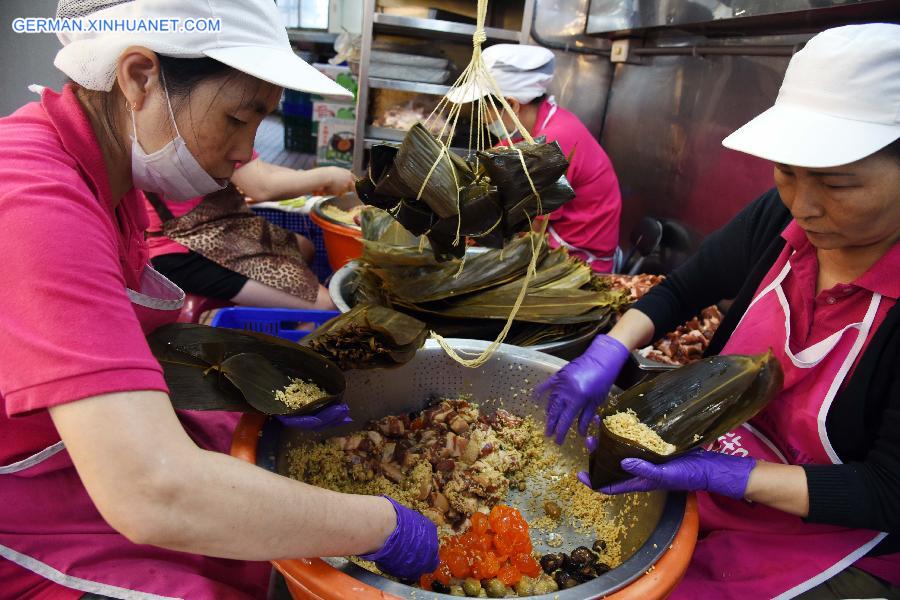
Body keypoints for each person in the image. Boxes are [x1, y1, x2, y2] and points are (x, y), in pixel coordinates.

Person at [0, 1, 438, 598]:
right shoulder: (32, 204)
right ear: (139, 77)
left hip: (84, 454)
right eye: (238, 118)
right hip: (30, 510)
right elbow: (154, 491)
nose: (246, 153)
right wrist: (387, 526)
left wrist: (268, 385)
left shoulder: (115, 175)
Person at [538, 23, 900, 599]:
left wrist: (728, 476)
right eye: (786, 173)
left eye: (838, 184)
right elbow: (683, 290)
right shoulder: (778, 218)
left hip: (830, 538)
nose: (803, 205)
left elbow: (888, 491)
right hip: (726, 466)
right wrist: (611, 345)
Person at [448, 44, 623, 272]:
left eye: (484, 109)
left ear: (511, 104)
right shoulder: (544, 120)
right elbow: (503, 153)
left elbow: (535, 221)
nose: (482, 119)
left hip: (577, 260)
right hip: (557, 241)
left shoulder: (555, 139)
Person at [145, 155, 355, 311]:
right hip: (185, 252)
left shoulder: (221, 122)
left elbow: (260, 168)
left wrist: (312, 178)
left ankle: (293, 316)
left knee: (304, 247)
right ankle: (297, 339)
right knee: (328, 305)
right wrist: (326, 175)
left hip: (223, 233)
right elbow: (262, 186)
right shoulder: (209, 127)